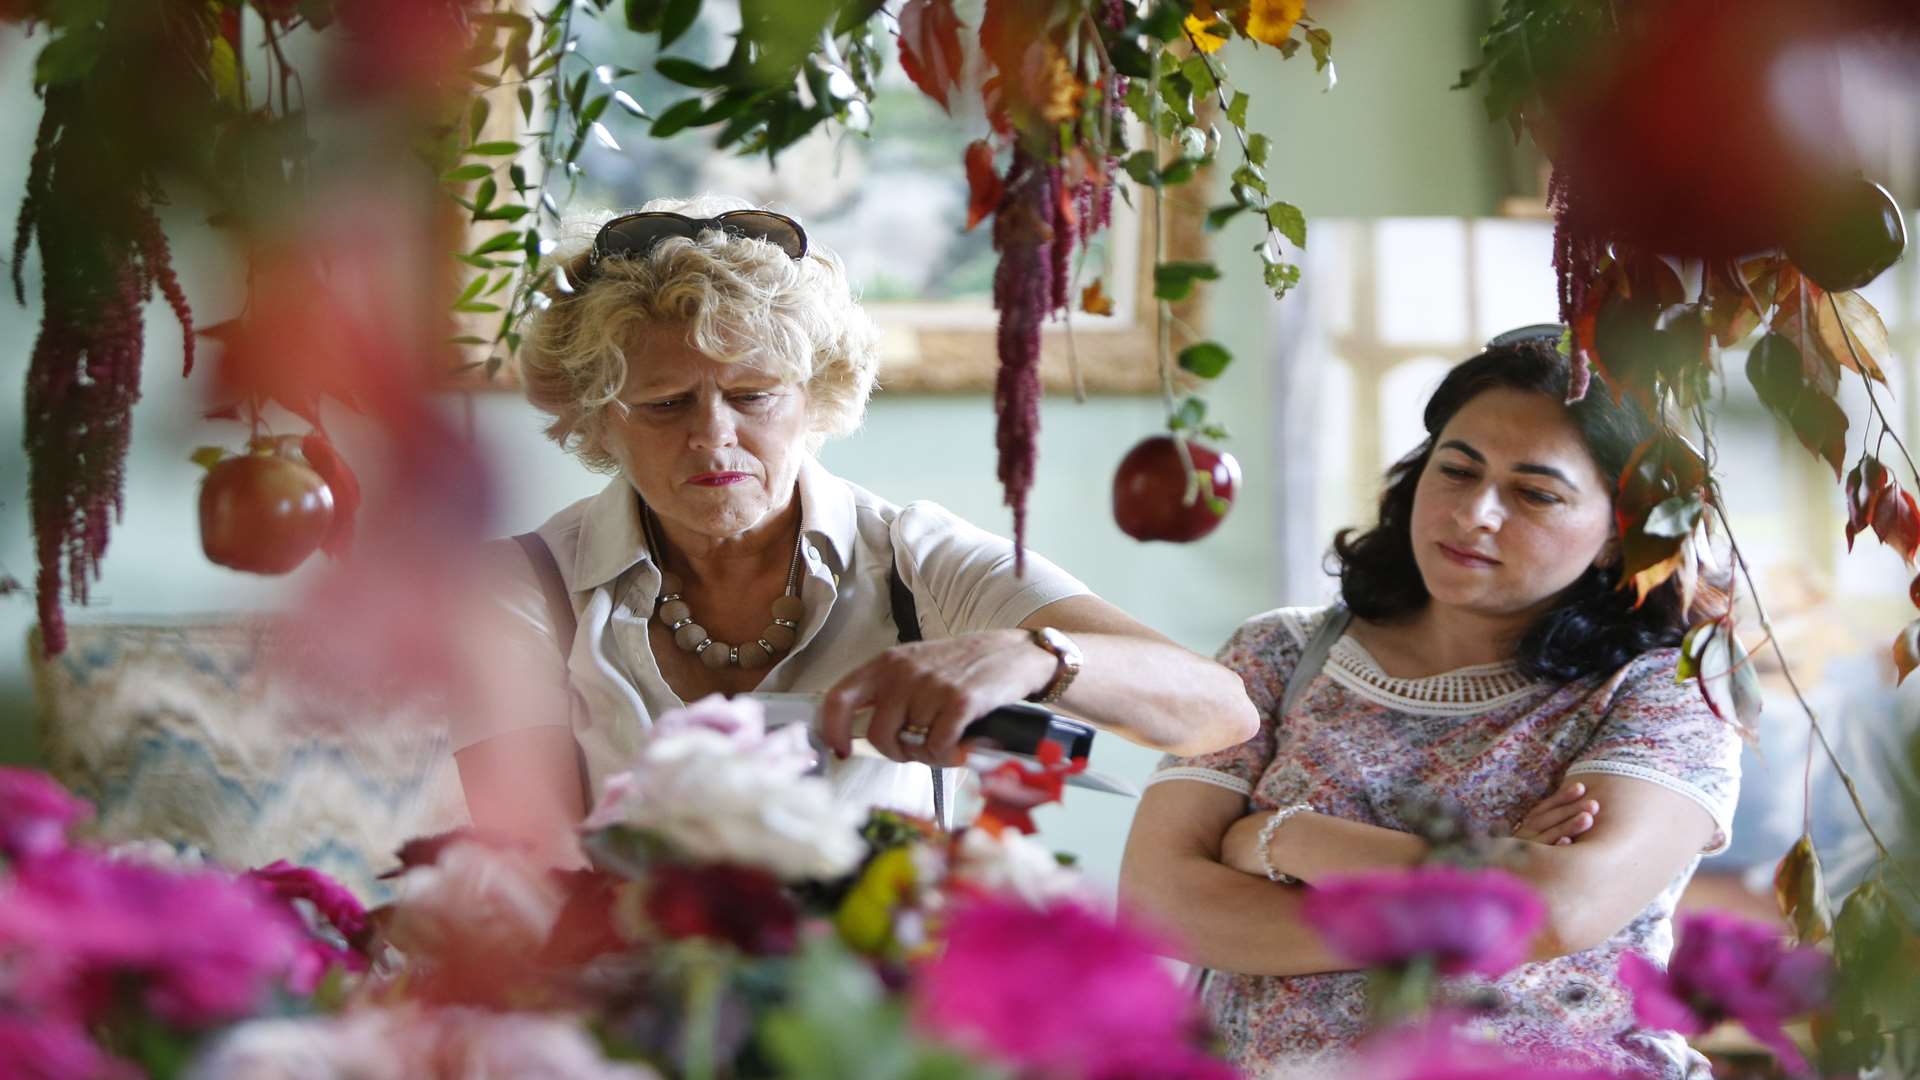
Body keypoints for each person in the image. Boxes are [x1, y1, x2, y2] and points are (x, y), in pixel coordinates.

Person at [451, 195, 1259, 862]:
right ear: (600, 418)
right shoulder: (521, 588)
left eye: (755, 394)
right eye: (666, 404)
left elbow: (1222, 713)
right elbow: (536, 868)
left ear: (817, 393)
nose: (713, 435)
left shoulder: (916, 559)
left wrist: (1030, 654)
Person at [1119, 335, 1742, 1078]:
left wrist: (1282, 840)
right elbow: (1157, 902)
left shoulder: (1670, 685)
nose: (1475, 511)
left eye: (1535, 493)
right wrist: (1468, 897)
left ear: (1617, 537)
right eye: (1457, 469)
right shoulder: (1276, 655)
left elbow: (1560, 911)